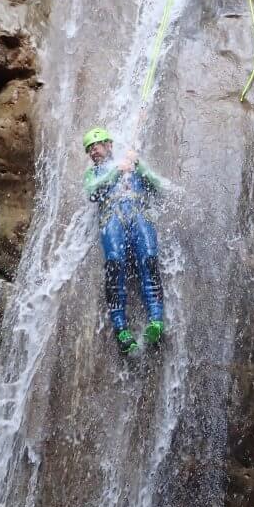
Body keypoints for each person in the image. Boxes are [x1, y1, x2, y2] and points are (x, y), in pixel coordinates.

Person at [82, 127, 165, 355]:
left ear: (109, 144)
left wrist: (140, 166)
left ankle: (156, 321)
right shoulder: (93, 173)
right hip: (112, 218)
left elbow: (159, 187)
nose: (93, 151)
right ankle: (121, 330)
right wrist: (115, 173)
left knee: (149, 260)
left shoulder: (132, 164)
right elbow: (92, 193)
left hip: (139, 214)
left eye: (96, 145)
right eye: (89, 149)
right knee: (114, 265)